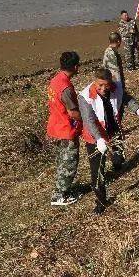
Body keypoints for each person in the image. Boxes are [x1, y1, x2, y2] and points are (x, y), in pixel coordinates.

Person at [78, 68, 139, 213]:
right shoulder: (85, 97)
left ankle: (117, 163)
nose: (104, 89)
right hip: (95, 137)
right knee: (97, 171)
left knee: (118, 155)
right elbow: (89, 121)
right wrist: (99, 139)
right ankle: (101, 202)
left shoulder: (116, 88)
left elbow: (127, 98)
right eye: (100, 85)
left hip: (114, 131)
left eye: (106, 85)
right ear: (94, 82)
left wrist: (137, 109)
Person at [47, 51, 83, 206]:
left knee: (62, 161)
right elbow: (73, 113)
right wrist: (88, 120)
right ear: (75, 67)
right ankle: (59, 196)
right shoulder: (66, 87)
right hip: (66, 129)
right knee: (69, 163)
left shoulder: (55, 80)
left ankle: (62, 189)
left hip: (55, 125)